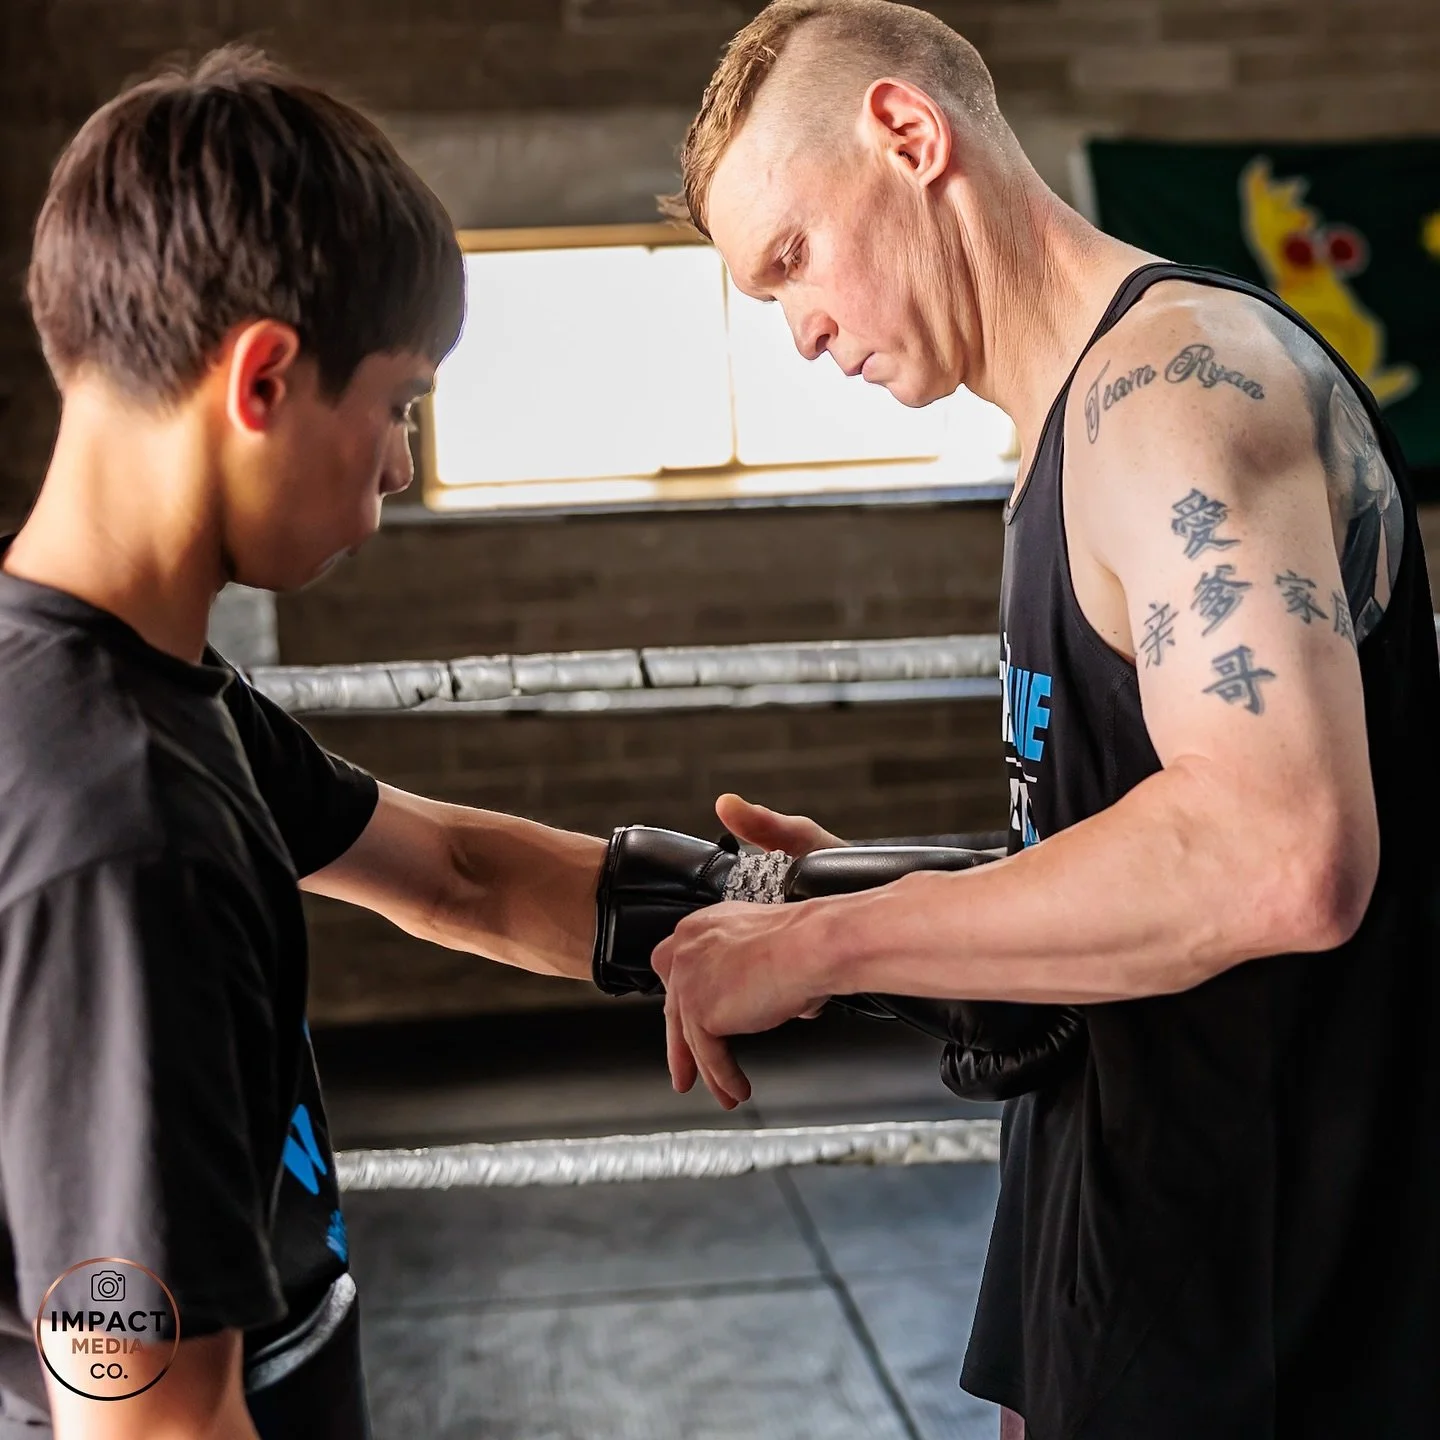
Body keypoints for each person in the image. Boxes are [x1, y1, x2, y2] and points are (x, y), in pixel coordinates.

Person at [648, 2, 1440, 1436]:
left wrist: (826, 939)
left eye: (794, 260)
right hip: (1134, 1265)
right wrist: (877, 886)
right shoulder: (1066, 433)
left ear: (907, 134)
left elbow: (1280, 853)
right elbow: (1136, 848)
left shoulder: (1176, 395)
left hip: (1276, 1323)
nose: (802, 329)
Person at [0, 48, 617, 1440]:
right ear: (265, 378)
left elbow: (456, 870)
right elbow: (149, 1424)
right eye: (396, 403)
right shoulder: (123, 827)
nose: (396, 464)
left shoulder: (126, 687)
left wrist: (807, 923)